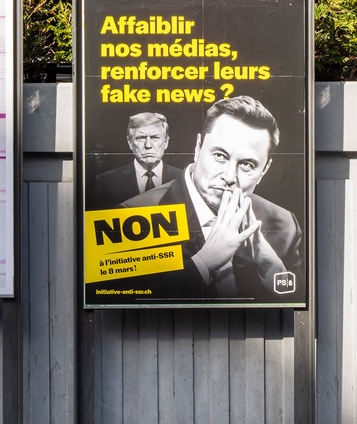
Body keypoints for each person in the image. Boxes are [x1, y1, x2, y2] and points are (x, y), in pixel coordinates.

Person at [120, 95, 303, 301]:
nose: (229, 177)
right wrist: (202, 264)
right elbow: (120, 297)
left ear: (265, 170)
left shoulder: (284, 225)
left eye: (247, 165)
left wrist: (271, 266)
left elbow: (298, 304)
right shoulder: (133, 216)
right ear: (198, 147)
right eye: (220, 156)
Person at [88, 112, 181, 210]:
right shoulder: (105, 183)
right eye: (141, 138)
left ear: (166, 142)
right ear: (130, 143)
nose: (148, 145)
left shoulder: (182, 179)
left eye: (155, 137)